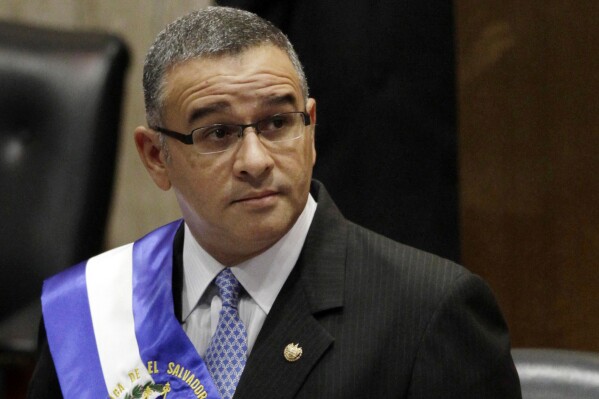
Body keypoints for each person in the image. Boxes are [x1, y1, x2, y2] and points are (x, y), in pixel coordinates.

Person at [28, 6, 521, 399]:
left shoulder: (430, 312)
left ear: (310, 128)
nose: (255, 160)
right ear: (157, 157)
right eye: (217, 132)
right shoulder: (90, 312)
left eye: (277, 123)